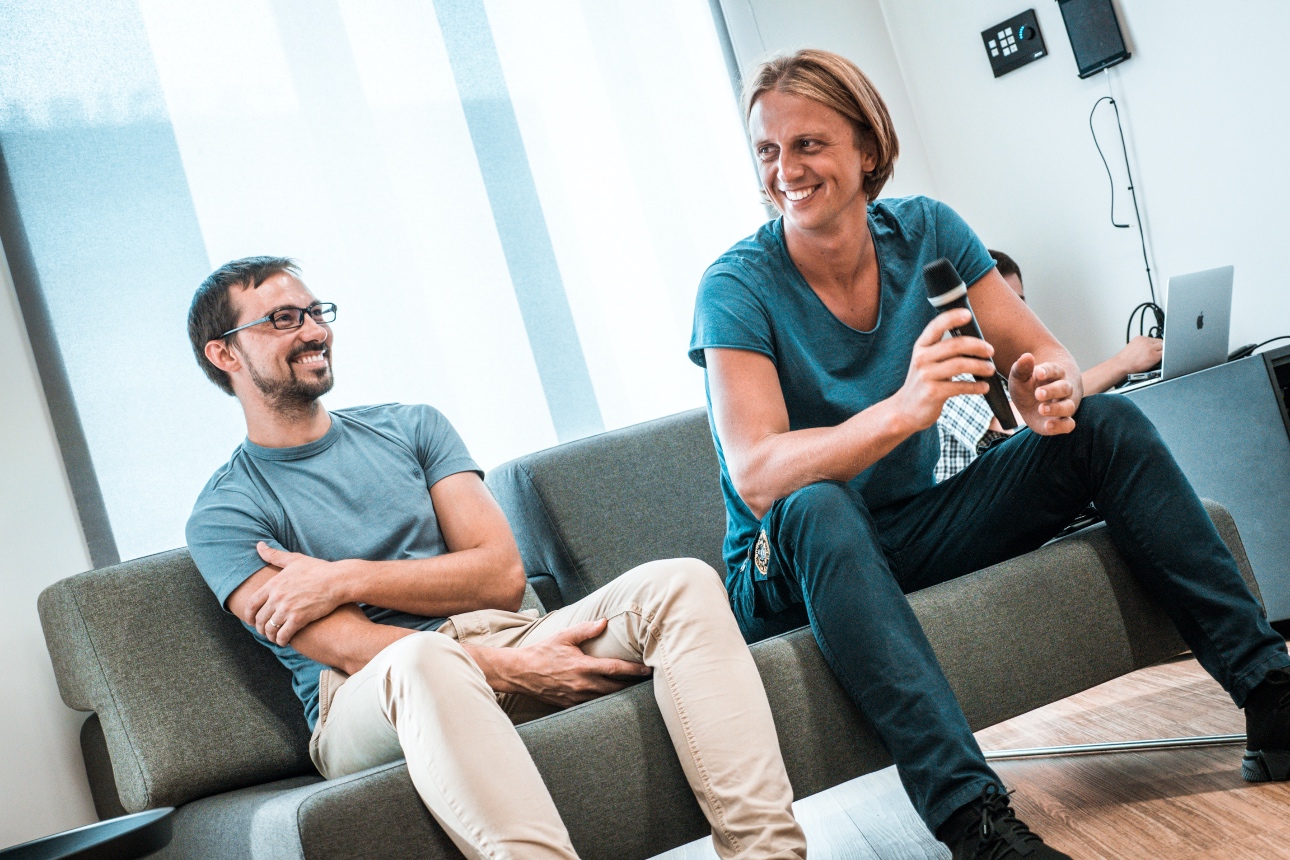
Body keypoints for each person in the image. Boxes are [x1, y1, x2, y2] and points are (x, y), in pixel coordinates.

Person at [688, 49, 1290, 860]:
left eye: (808, 144)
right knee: (819, 503)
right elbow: (757, 474)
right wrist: (903, 410)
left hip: (909, 525)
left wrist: (1048, 390)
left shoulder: (929, 232)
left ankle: (1271, 694)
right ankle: (976, 825)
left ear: (866, 146)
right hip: (788, 562)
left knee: (1105, 423)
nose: (785, 170)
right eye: (768, 150)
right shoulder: (736, 286)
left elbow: (1046, 355)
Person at [184, 257, 807, 860]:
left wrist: (344, 577)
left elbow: (500, 577)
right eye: (284, 319)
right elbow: (349, 646)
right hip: (366, 698)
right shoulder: (226, 513)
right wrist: (514, 668)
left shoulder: (412, 428)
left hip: (503, 632)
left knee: (679, 583)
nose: (315, 331)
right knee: (420, 659)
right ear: (224, 353)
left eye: (316, 312)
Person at [935, 249, 1164, 482]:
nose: (1012, 315)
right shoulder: (948, 369)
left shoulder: (1021, 364)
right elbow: (1020, 419)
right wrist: (1122, 363)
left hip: (1021, 485)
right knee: (1108, 416)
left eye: (1019, 303)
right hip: (976, 496)